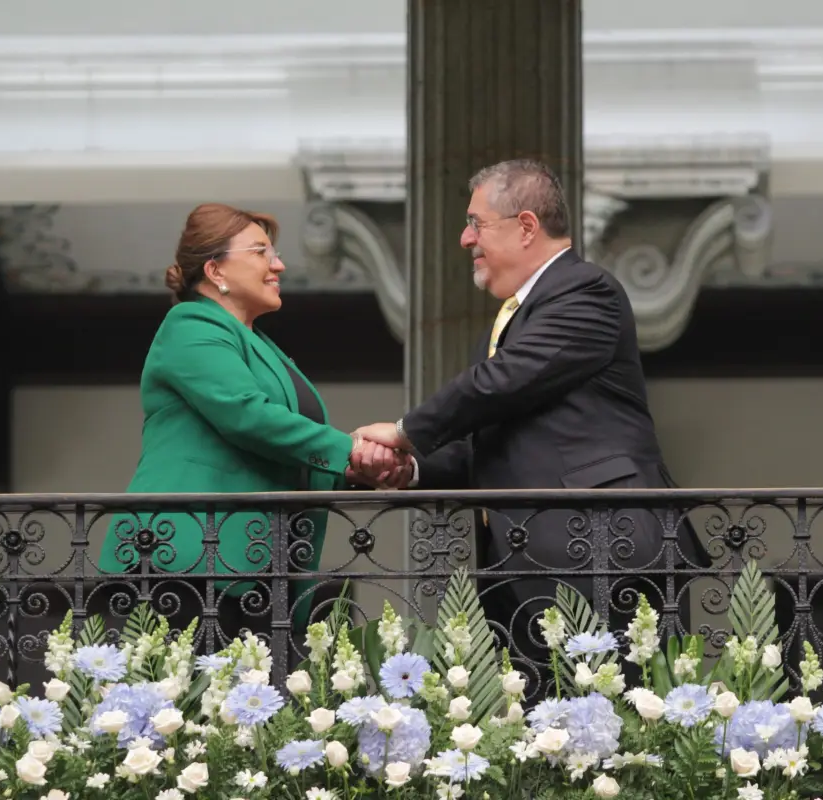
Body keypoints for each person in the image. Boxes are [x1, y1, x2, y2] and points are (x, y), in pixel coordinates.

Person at [354, 159, 709, 678]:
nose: (463, 238)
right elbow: (487, 437)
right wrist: (408, 471)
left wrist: (406, 432)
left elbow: (505, 380)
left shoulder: (587, 291)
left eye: (476, 223)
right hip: (531, 563)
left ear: (525, 226)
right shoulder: (517, 317)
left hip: (602, 549)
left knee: (625, 730)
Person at [98, 203, 405, 636]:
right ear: (215, 269)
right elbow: (246, 417)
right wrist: (350, 450)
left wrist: (361, 470)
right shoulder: (190, 326)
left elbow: (287, 454)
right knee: (189, 700)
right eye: (261, 251)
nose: (278, 264)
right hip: (187, 560)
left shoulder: (256, 343)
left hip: (249, 564)